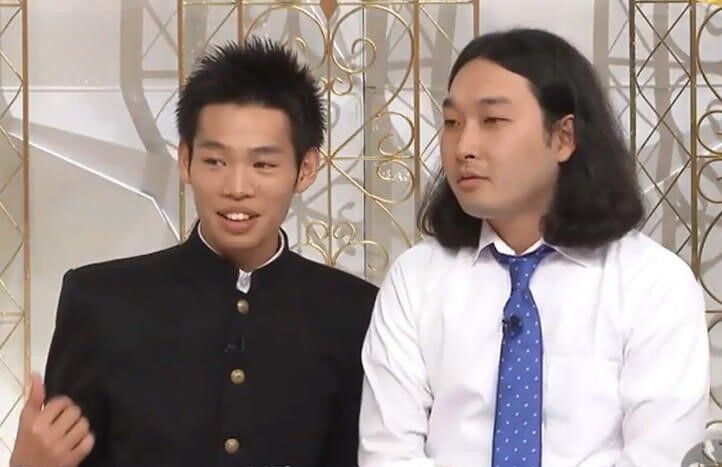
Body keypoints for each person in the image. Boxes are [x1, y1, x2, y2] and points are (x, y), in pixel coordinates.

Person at [11, 38, 378, 467]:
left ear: (306, 168)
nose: (237, 187)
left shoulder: (354, 314)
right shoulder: (100, 301)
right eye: (215, 161)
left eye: (263, 164)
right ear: (185, 160)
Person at [358, 28, 709, 467]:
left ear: (564, 137)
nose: (464, 147)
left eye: (493, 121)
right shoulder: (415, 278)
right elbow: (388, 452)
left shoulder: (653, 282)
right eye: (452, 123)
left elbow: (660, 454)